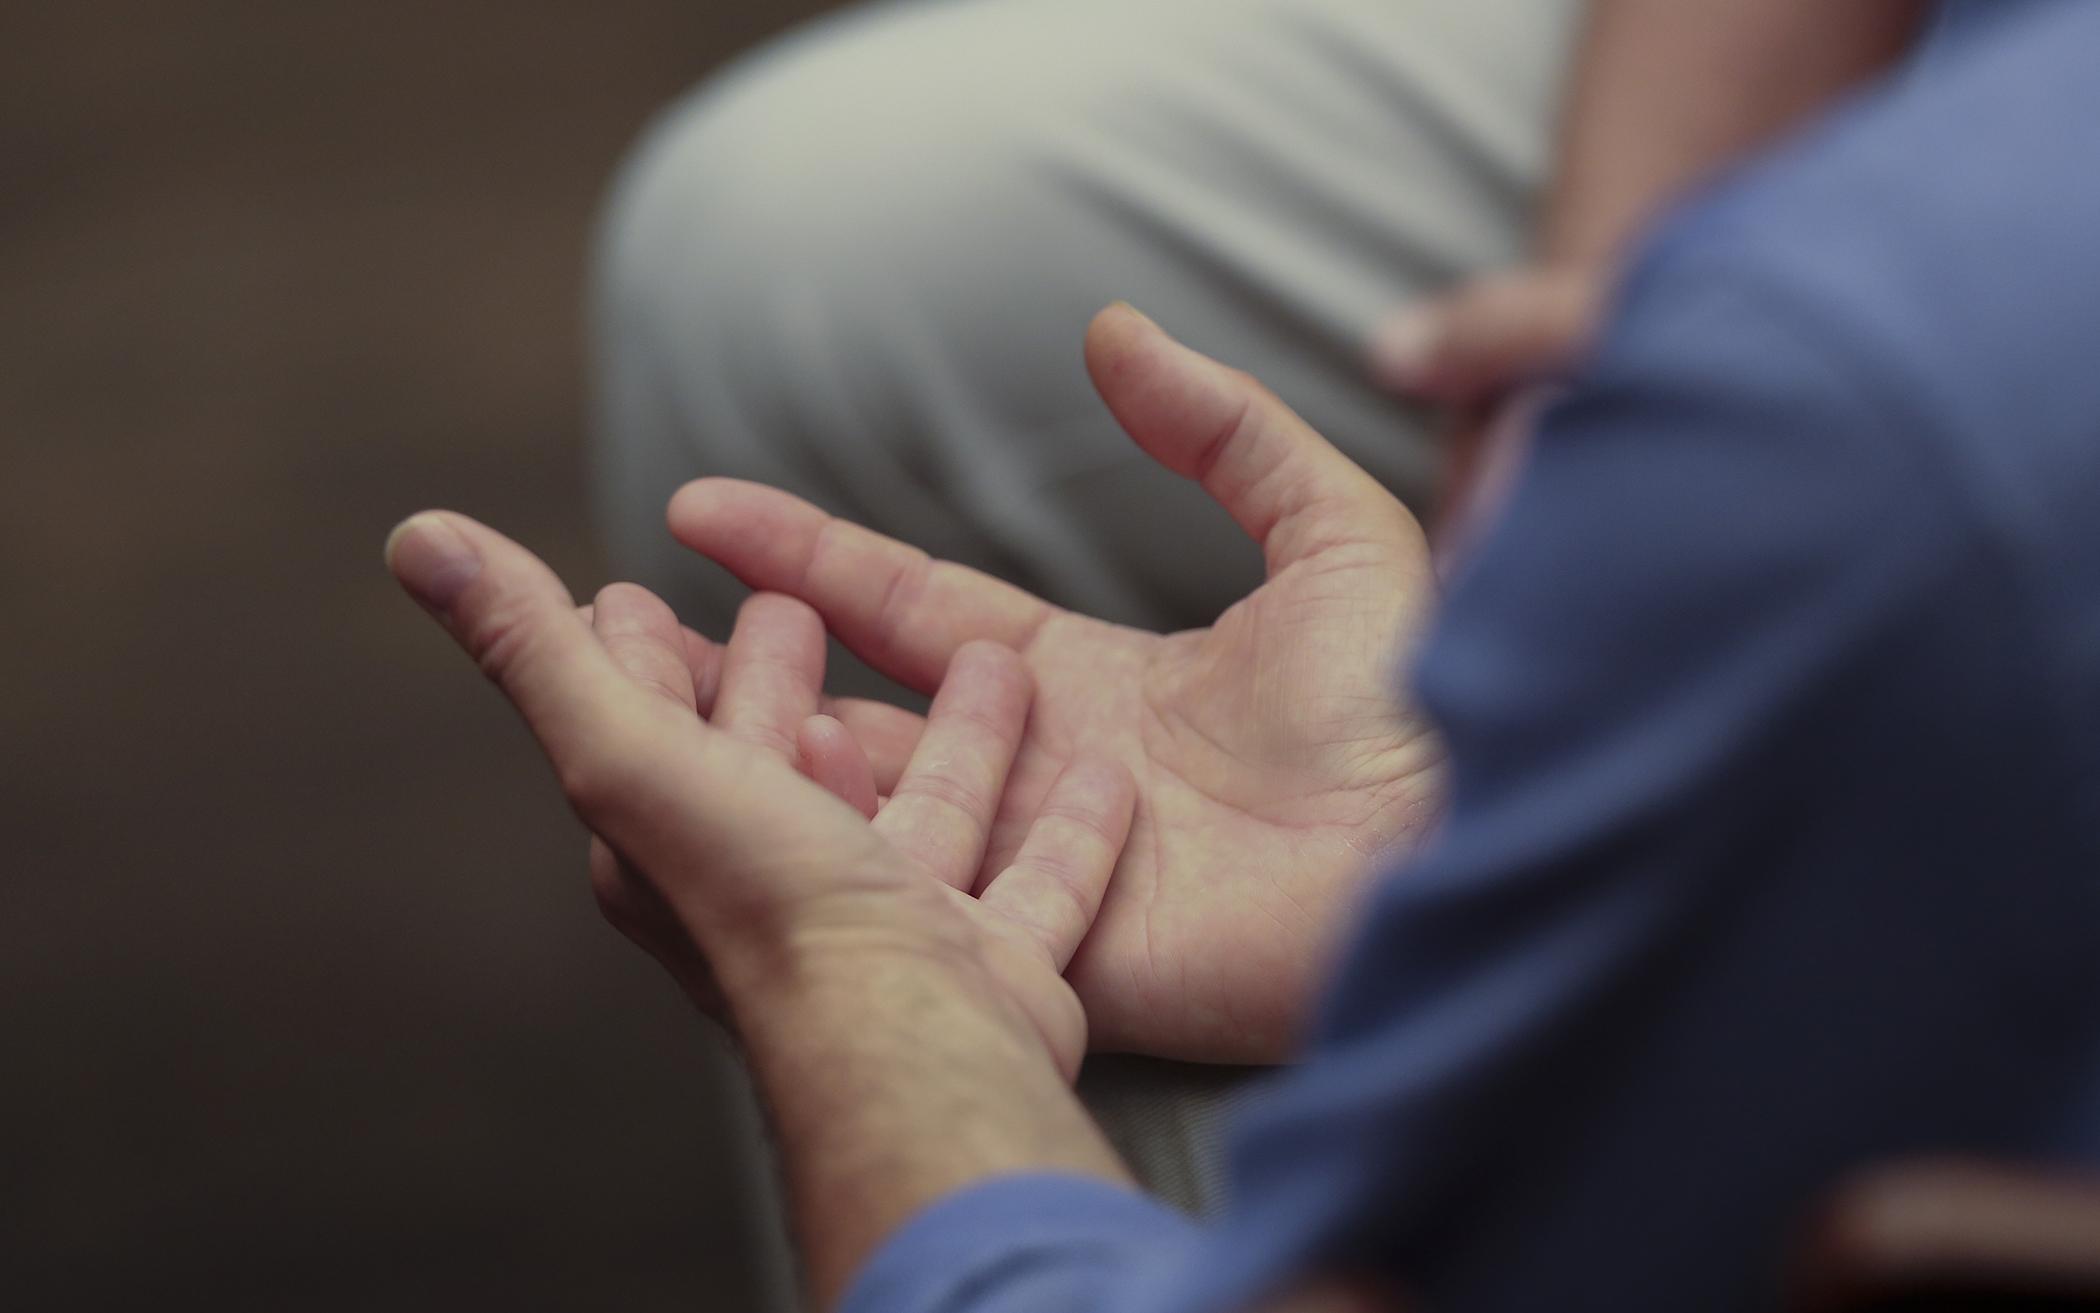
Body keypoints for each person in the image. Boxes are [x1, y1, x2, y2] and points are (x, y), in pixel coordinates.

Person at [392, 3, 2100, 1307]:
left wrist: (856, 989)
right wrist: (1515, 726)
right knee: (789, 259)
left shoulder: (1878, 461)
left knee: (1010, 951)